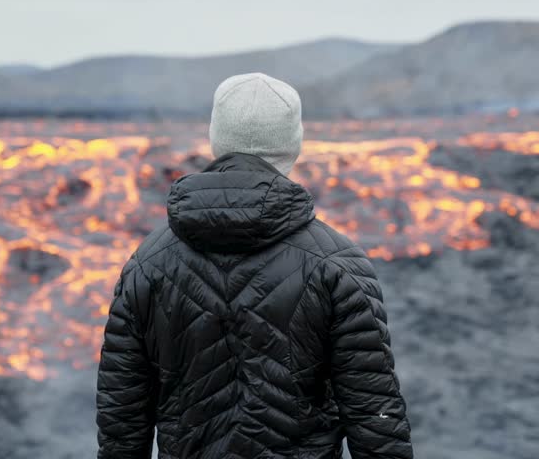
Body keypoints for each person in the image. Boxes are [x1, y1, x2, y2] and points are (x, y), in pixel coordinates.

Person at [96, 72, 413, 459]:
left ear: (217, 140)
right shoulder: (337, 263)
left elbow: (121, 422)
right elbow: (375, 419)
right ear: (293, 144)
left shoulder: (147, 263)